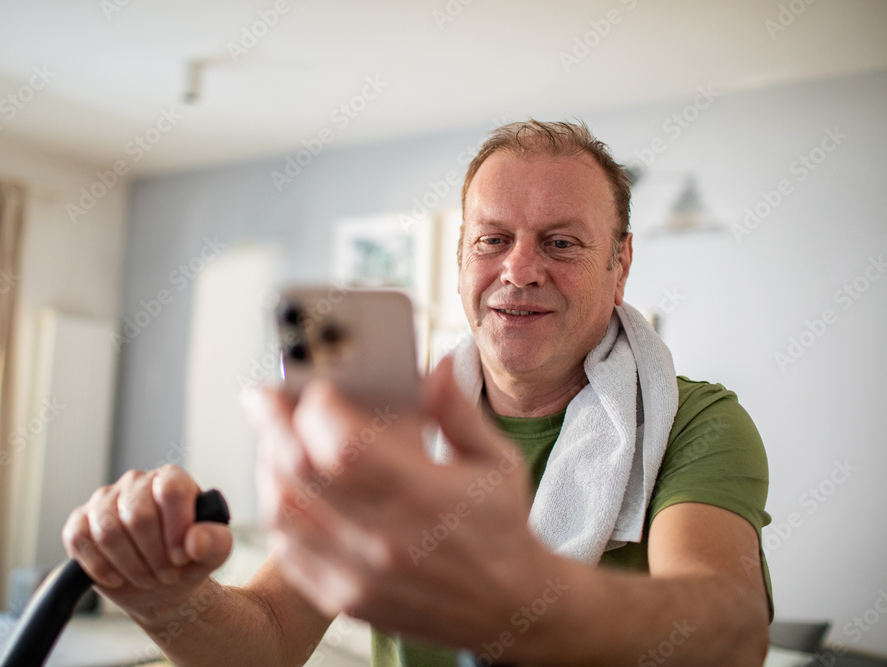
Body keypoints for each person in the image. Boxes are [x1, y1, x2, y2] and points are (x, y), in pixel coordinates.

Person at [63, 120, 772, 666]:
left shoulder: (696, 423)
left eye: (561, 243)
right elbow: (272, 639)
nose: (519, 269)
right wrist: (165, 601)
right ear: (463, 256)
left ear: (619, 268)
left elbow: (731, 628)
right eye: (493, 240)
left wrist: (520, 602)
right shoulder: (385, 426)